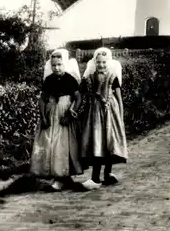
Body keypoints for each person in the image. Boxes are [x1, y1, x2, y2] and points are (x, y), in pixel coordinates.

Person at [30, 48, 83, 191]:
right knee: (50, 144)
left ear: (64, 64)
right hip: (51, 114)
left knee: (64, 145)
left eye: (59, 64)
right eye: (53, 65)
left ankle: (64, 175)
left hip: (64, 115)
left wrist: (70, 113)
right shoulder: (48, 80)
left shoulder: (70, 79)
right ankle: (56, 176)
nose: (56, 68)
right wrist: (43, 116)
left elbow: (78, 98)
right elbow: (42, 100)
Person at [80, 47, 128, 190]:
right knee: (97, 141)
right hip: (95, 114)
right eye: (99, 62)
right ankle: (95, 177)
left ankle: (108, 174)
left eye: (104, 62)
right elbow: (81, 92)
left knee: (109, 141)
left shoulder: (113, 77)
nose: (101, 65)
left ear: (109, 63)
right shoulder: (90, 77)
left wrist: (120, 114)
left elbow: (119, 98)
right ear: (95, 63)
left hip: (110, 113)